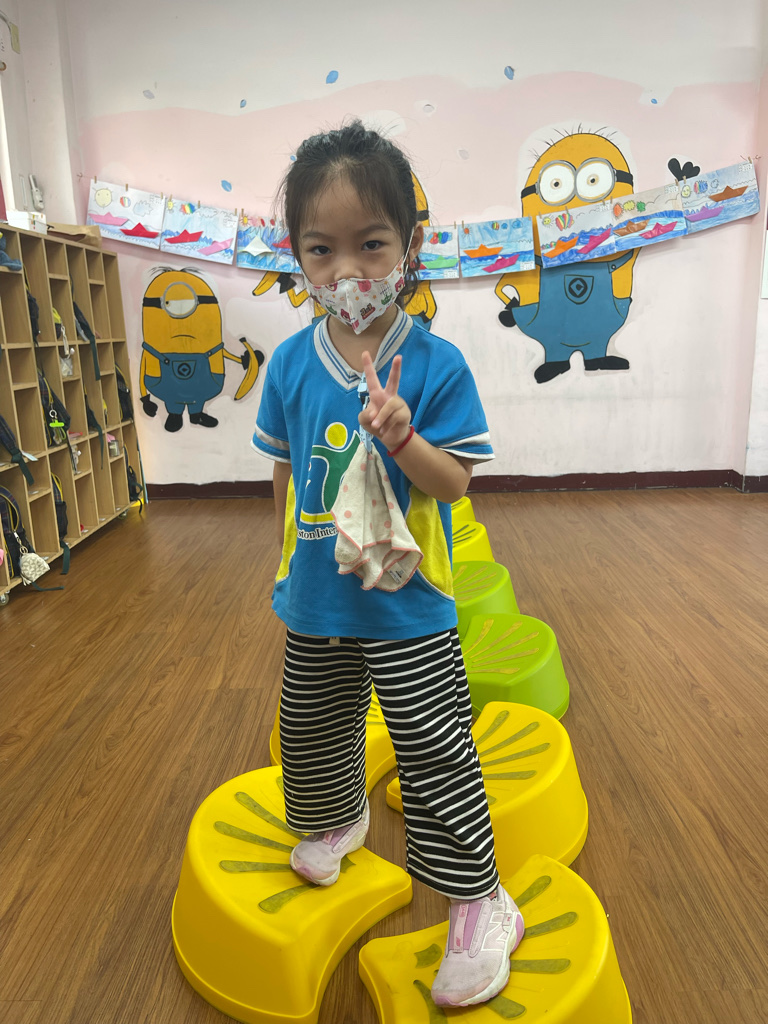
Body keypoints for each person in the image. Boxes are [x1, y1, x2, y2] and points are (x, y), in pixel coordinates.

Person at [252, 121, 524, 1008]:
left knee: (434, 749)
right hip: (319, 596)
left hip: (409, 601)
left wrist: (405, 437)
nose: (347, 272)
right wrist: (285, 567)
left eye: (370, 244)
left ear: (410, 244)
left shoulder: (435, 364)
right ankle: (337, 819)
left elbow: (454, 484)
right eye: (320, 250)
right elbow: (287, 474)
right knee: (312, 729)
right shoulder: (289, 365)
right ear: (297, 257)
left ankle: (482, 899)